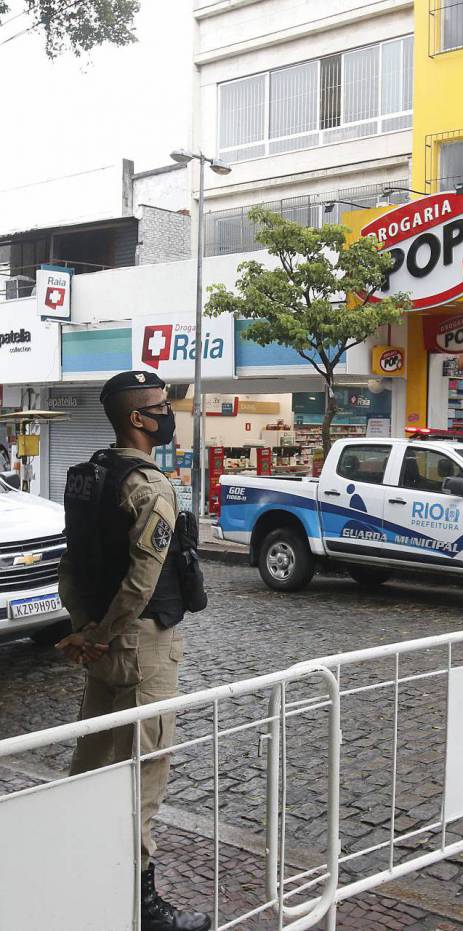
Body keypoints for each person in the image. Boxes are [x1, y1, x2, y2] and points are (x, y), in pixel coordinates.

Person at [57, 370, 211, 931]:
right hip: (143, 648)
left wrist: (85, 628)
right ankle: (140, 908)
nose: (169, 412)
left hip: (101, 645)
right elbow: (144, 579)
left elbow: (69, 567)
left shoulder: (86, 478)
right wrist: (100, 633)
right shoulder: (150, 485)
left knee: (93, 765)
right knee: (143, 775)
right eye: (161, 405)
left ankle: (82, 874)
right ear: (137, 419)